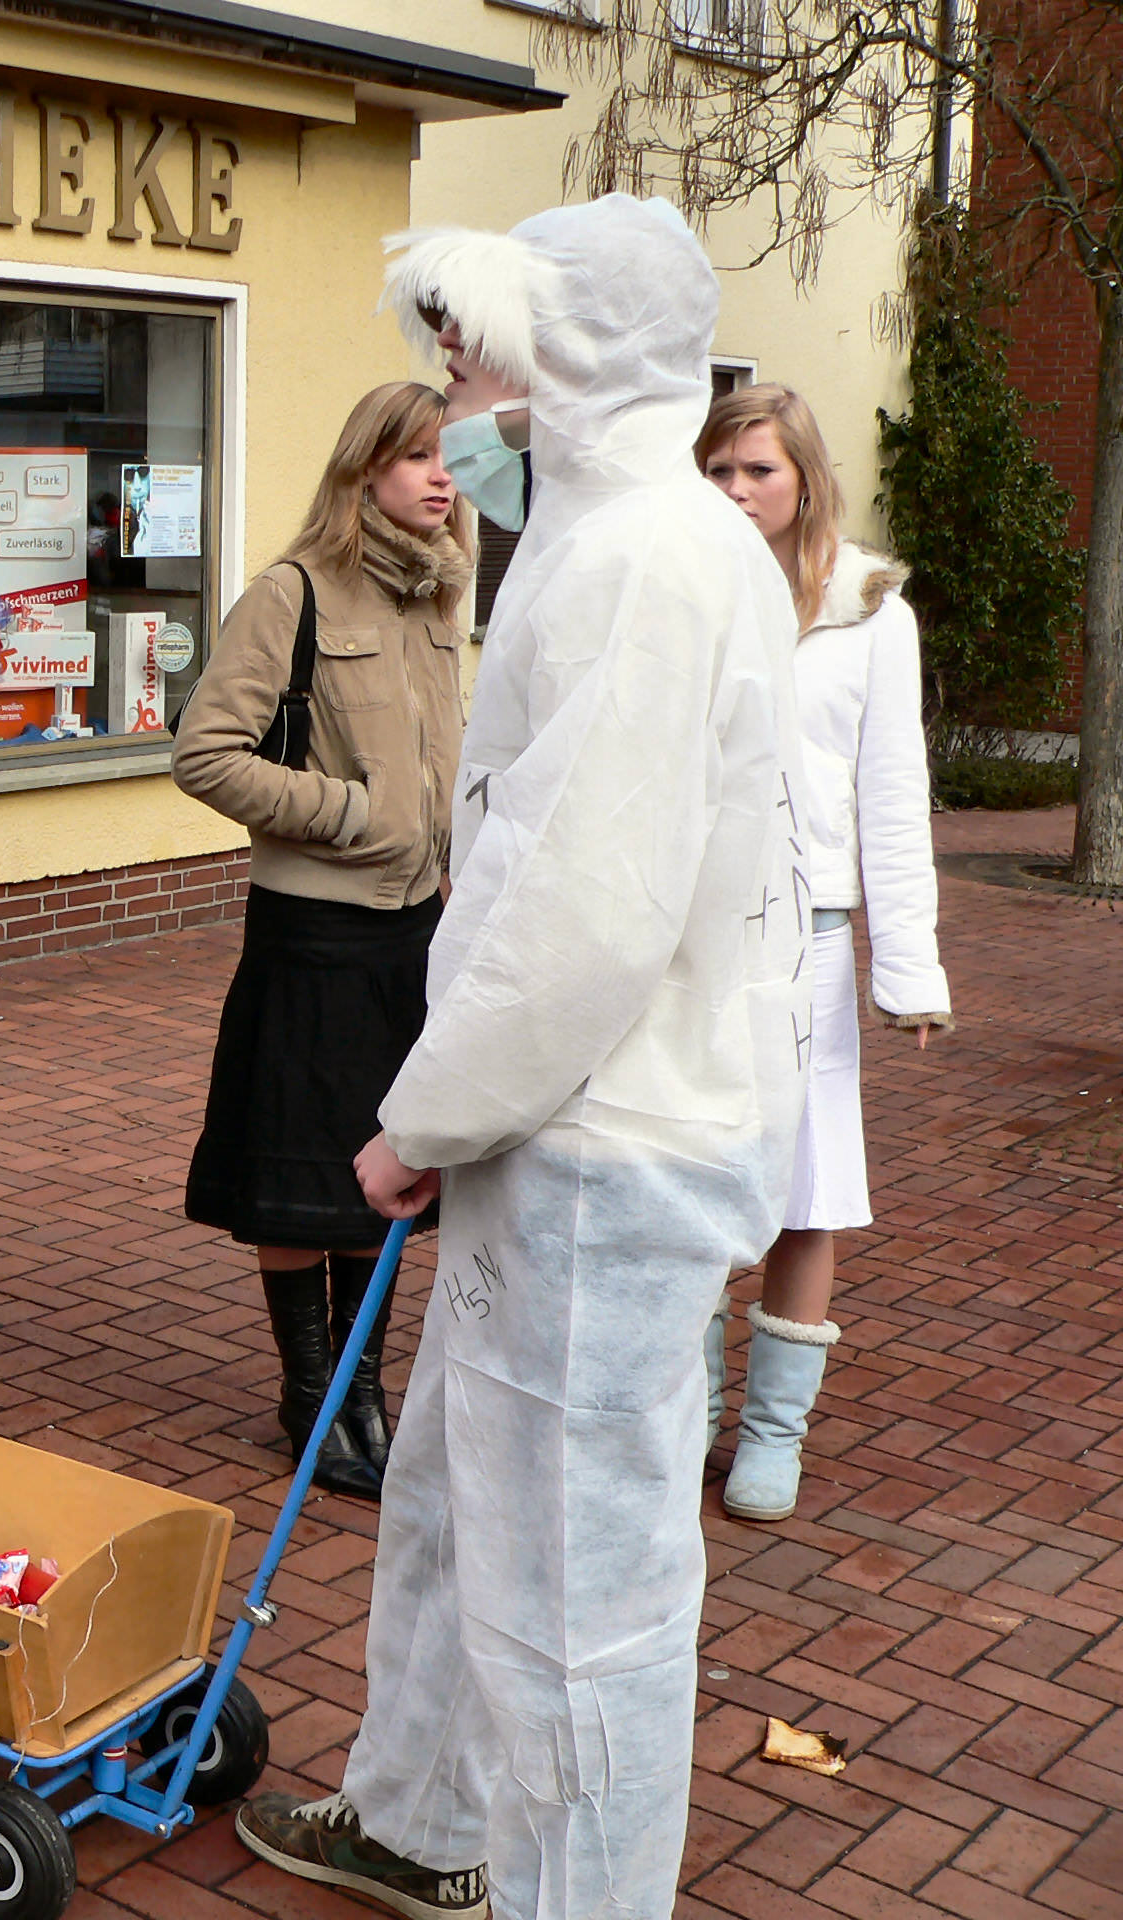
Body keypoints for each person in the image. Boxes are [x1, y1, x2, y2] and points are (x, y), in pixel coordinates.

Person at [237, 197, 810, 1920]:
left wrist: (423, 1122)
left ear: (570, 358)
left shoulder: (643, 561)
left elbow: (584, 913)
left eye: (472, 354)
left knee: (575, 1601)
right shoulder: (607, 538)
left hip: (600, 1150)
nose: (451, 392)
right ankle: (416, 1821)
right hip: (553, 1135)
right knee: (448, 1508)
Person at [172, 382, 472, 1498]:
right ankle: (310, 1396)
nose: (442, 476)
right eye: (418, 456)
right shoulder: (290, 592)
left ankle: (361, 1395)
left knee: (379, 1172)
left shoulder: (440, 594)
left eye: (449, 456)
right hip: (312, 935)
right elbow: (204, 753)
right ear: (364, 469)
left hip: (411, 935)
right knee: (301, 1176)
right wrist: (350, 813)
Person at [698, 385, 952, 1522]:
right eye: (719, 470)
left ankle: (771, 1435)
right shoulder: (686, 589)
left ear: (805, 477)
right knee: (692, 1176)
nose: (737, 490)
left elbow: (892, 795)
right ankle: (685, 1412)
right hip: (695, 933)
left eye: (758, 469)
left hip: (807, 938)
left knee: (808, 1190)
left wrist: (910, 970)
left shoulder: (872, 612)